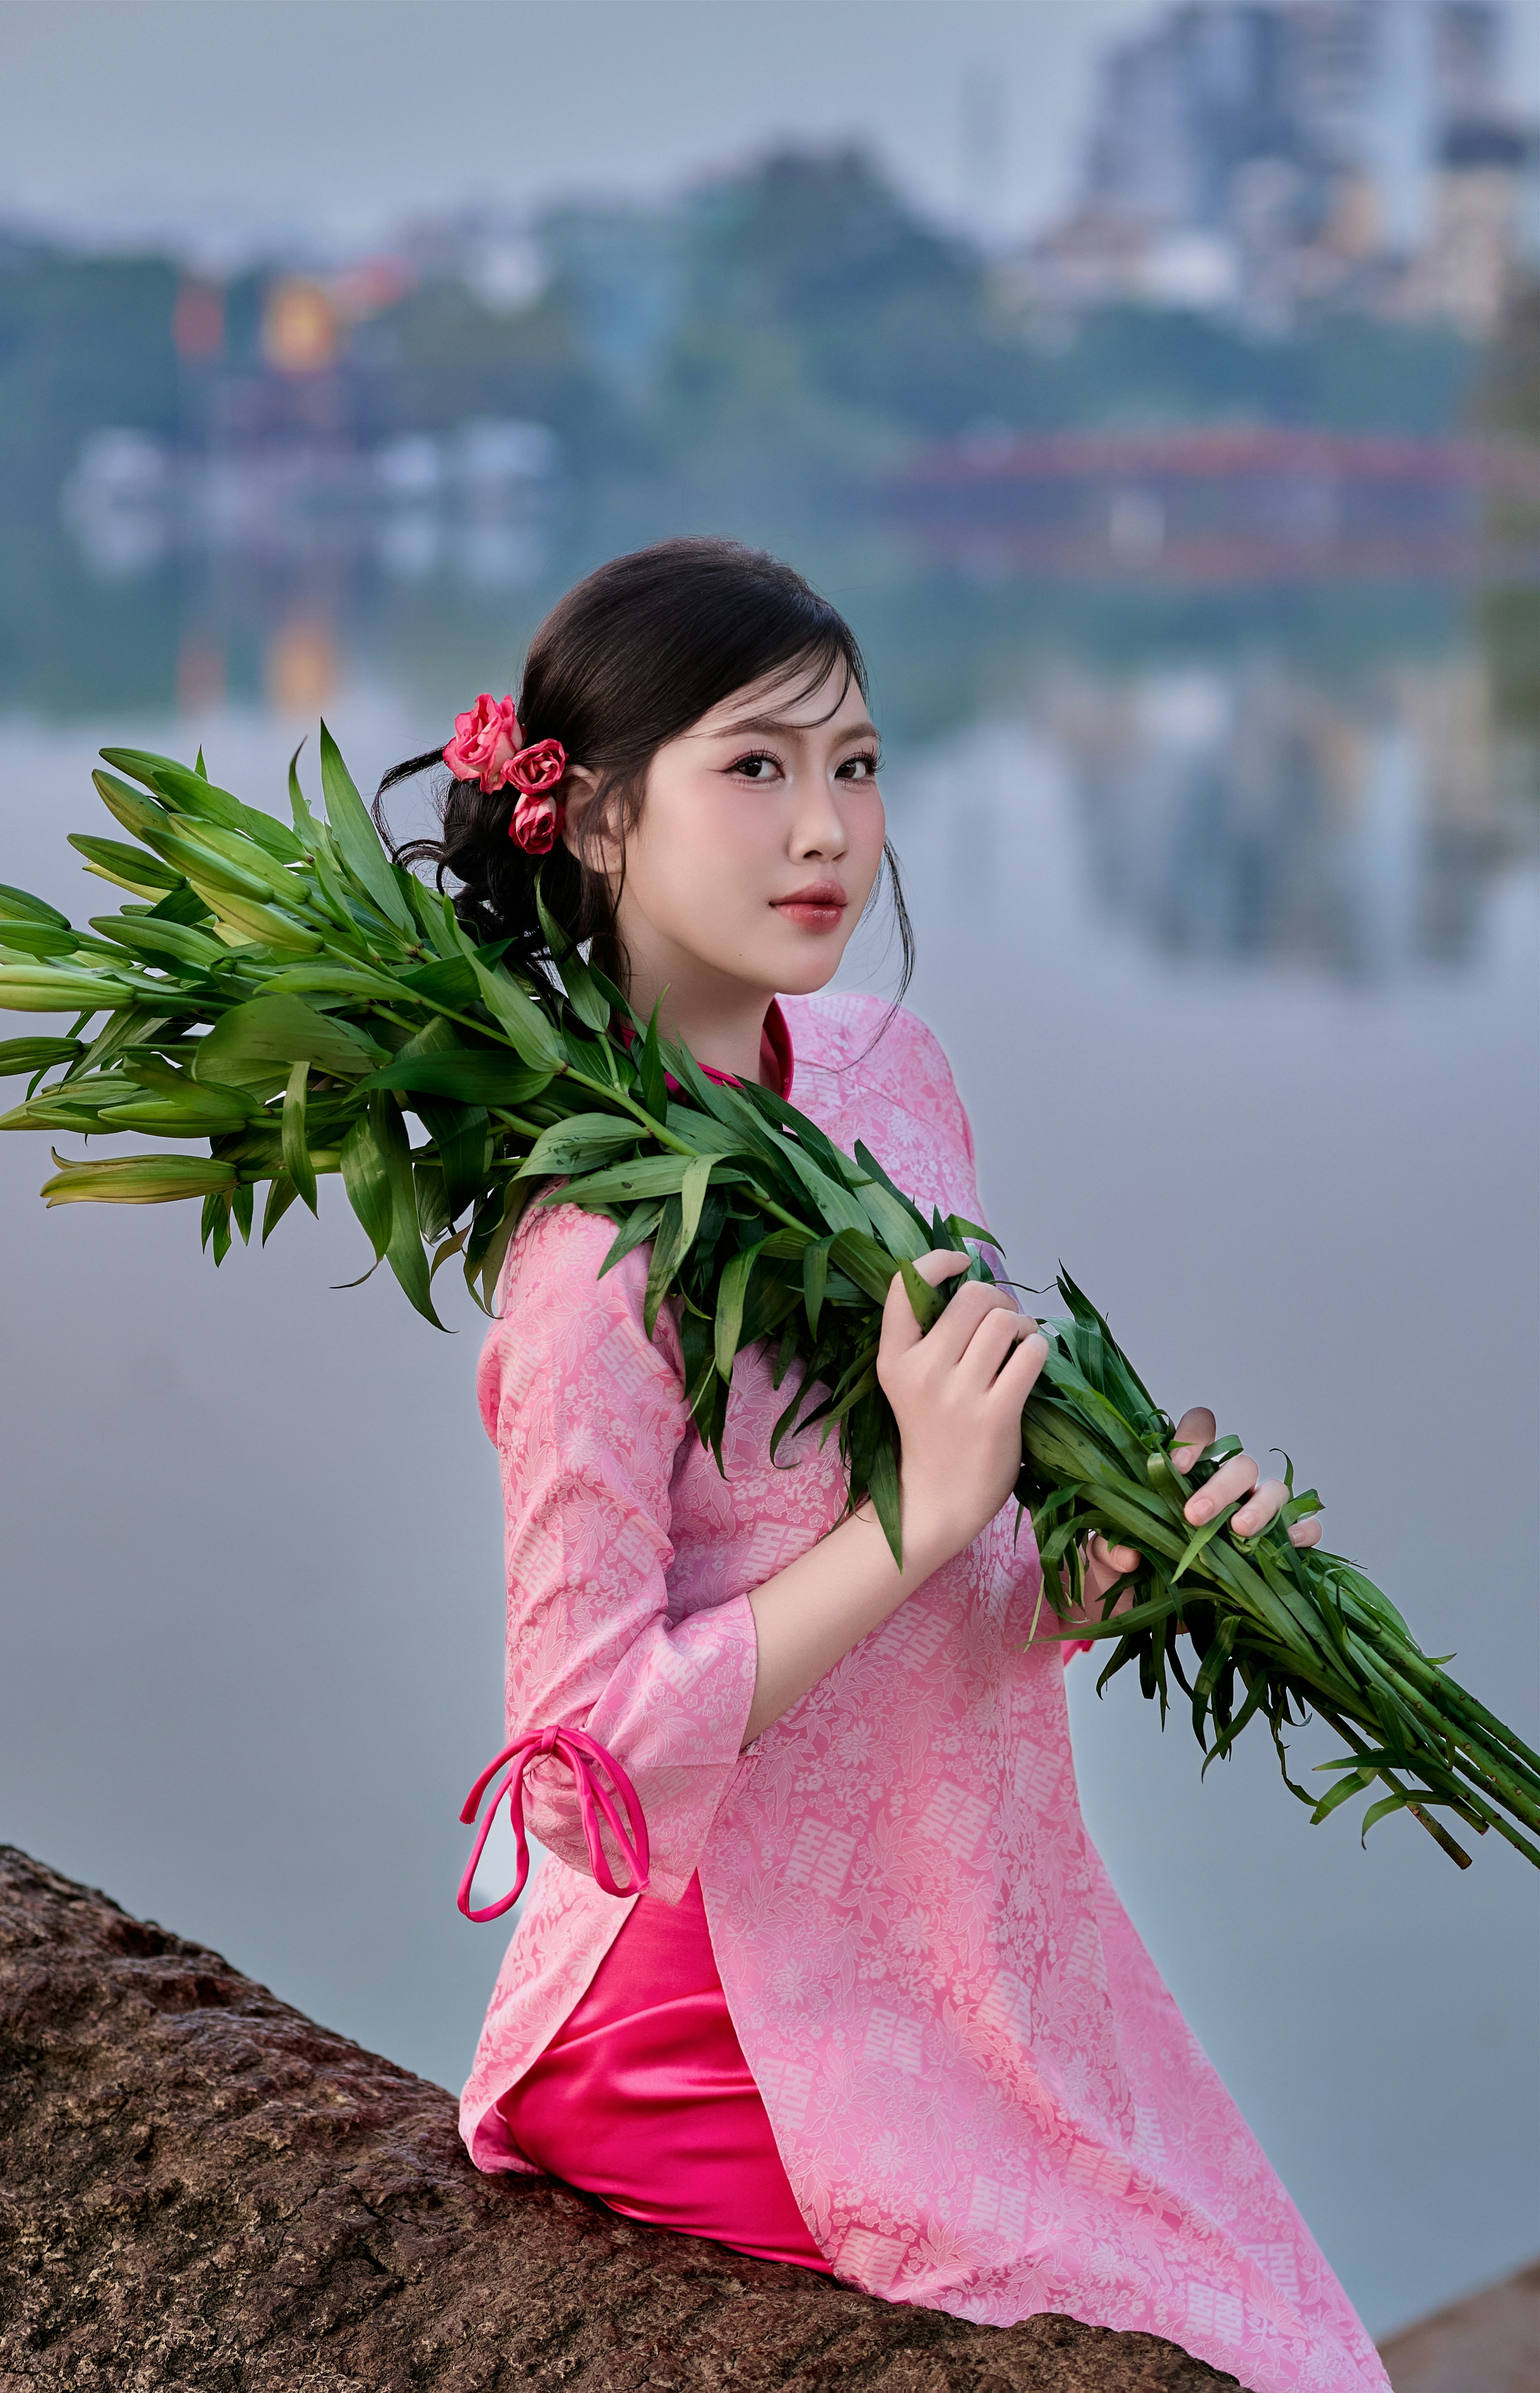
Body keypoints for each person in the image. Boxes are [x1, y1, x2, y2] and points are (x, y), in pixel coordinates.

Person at [378, 539, 1387, 2393]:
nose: (827, 827)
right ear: (593, 818)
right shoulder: (593, 1261)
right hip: (714, 2012)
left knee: (1297, 2340)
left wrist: (1113, 1555)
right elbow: (578, 1773)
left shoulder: (888, 1076)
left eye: (855, 763)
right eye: (756, 767)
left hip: (966, 1930)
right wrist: (920, 1516)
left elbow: (959, 1591)